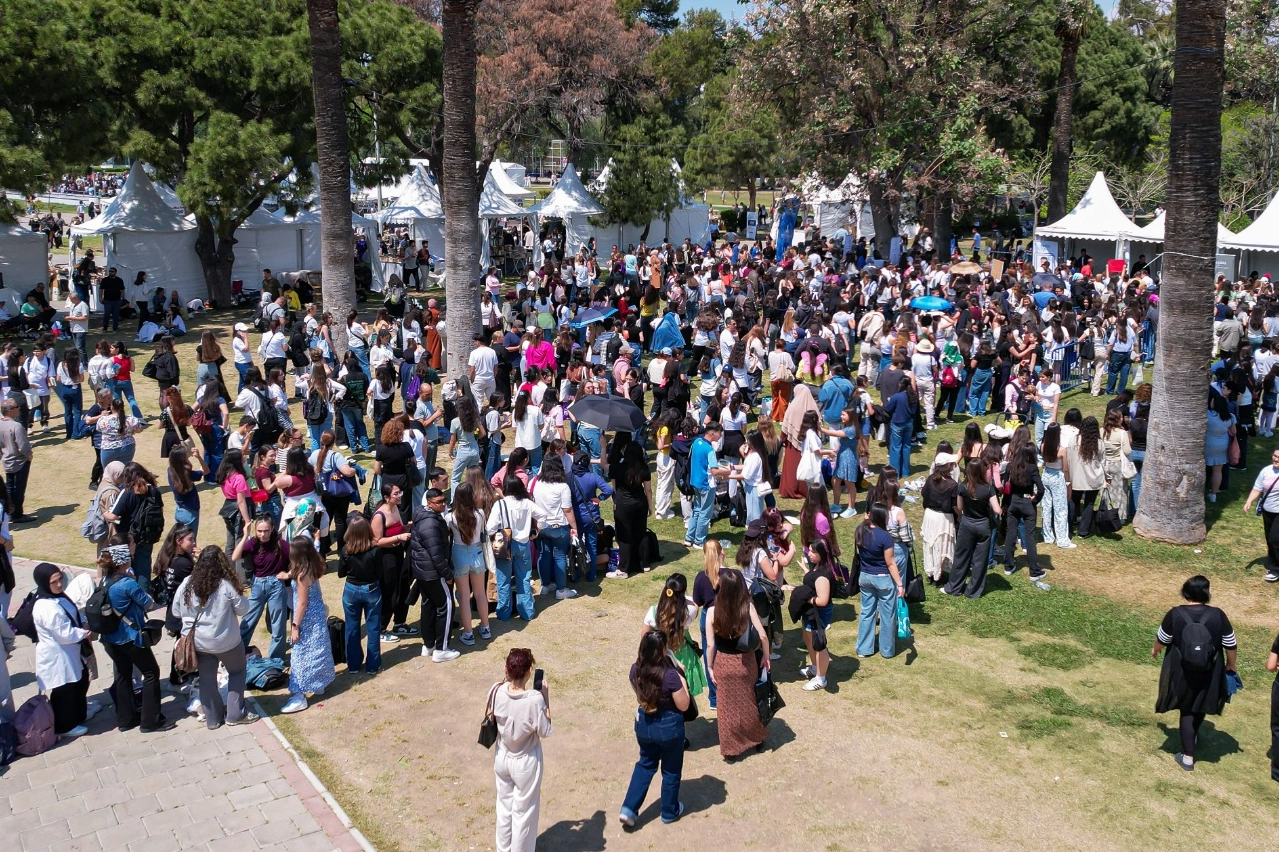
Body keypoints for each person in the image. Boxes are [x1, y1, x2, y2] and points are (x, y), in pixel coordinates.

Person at [1152, 575, 1238, 772]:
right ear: (1207, 593)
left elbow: (1162, 639)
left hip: (1182, 671)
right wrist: (1231, 665)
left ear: (1186, 593)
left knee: (1187, 709)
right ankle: (1192, 737)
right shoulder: (1218, 615)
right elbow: (1230, 643)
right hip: (1210, 669)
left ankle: (1188, 757)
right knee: (1199, 705)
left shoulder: (1175, 614)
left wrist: (1155, 650)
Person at [171, 545, 258, 729]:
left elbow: (175, 611)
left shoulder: (187, 583)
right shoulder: (226, 586)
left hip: (199, 644)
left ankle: (213, 719)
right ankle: (235, 714)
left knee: (207, 679)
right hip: (227, 642)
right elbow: (244, 609)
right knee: (237, 672)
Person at [619, 629, 691, 828]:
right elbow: (684, 705)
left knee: (645, 764)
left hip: (644, 724)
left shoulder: (635, 670)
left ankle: (629, 808)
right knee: (671, 770)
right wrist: (681, 677)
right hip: (669, 726)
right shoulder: (670, 676)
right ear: (663, 651)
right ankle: (669, 811)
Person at [96, 541, 170, 732]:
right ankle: (150, 721)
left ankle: (126, 720)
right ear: (124, 562)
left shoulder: (105, 581)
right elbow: (149, 604)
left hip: (110, 638)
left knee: (122, 674)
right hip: (130, 637)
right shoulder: (127, 583)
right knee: (151, 673)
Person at [705, 568, 770, 761]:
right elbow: (763, 635)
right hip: (746, 661)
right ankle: (756, 739)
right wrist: (765, 656)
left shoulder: (712, 611)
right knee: (750, 701)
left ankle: (730, 749)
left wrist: (709, 666)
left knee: (726, 708)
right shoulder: (748, 608)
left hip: (724, 663)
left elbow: (710, 644)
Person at [491, 647, 552, 852]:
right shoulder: (534, 700)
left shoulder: (496, 690)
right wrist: (545, 699)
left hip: (502, 756)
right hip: (526, 761)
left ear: (507, 669)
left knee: (504, 808)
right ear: (529, 671)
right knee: (524, 813)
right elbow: (545, 730)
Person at [31, 562, 91, 738]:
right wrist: (84, 632)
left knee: (78, 683)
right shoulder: (46, 606)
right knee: (63, 690)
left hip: (70, 652)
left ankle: (78, 715)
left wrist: (83, 622)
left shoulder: (57, 597)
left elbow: (73, 612)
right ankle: (65, 726)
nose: (59, 584)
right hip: (58, 655)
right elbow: (64, 633)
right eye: (54, 582)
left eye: (60, 579)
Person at [281, 537, 336, 713]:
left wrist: (295, 626)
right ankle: (319, 683)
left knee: (301, 654)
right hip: (317, 614)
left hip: (307, 618)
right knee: (319, 648)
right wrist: (288, 575)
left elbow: (302, 603)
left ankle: (299, 695)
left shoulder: (302, 575)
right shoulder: (313, 565)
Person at [488, 474, 550, 622]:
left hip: (505, 545)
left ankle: (503, 613)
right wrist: (536, 531)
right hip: (523, 544)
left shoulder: (500, 504)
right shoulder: (527, 503)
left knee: (503, 580)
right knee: (524, 578)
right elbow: (543, 516)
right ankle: (526, 611)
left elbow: (490, 528)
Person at [412, 488, 459, 662]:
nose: (443, 504)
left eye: (444, 500)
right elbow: (436, 553)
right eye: (439, 502)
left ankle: (429, 645)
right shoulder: (430, 523)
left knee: (428, 606)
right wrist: (447, 574)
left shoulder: (422, 516)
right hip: (433, 572)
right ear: (429, 503)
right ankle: (441, 648)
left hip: (423, 571)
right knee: (445, 607)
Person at [234, 516, 291, 661]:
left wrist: (288, 574)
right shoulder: (252, 543)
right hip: (258, 585)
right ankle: (237, 656)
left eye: (266, 531)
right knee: (248, 621)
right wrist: (245, 535)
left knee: (278, 626)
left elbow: (300, 561)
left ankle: (276, 660)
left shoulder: (282, 544)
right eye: (259, 531)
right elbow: (235, 557)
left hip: (276, 586)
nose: (262, 534)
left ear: (272, 529)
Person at [943, 461, 1002, 598]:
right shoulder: (988, 489)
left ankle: (954, 587)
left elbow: (960, 507)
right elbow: (997, 510)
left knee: (961, 556)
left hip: (967, 524)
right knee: (980, 560)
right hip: (983, 526)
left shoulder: (962, 487)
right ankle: (973, 591)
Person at [854, 504, 905, 658]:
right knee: (887, 614)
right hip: (883, 579)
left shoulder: (859, 531)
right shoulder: (885, 537)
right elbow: (890, 563)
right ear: (882, 517)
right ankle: (887, 650)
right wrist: (900, 584)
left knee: (867, 612)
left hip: (865, 577)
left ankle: (863, 649)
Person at [448, 482, 493, 645]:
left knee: (464, 597)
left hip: (459, 553)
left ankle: (468, 633)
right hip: (477, 552)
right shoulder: (480, 513)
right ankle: (485, 627)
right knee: (480, 594)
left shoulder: (451, 516)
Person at [338, 515, 383, 674]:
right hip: (371, 589)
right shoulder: (375, 550)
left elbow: (341, 573)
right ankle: (373, 665)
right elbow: (380, 572)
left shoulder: (346, 550)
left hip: (351, 589)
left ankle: (354, 665)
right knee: (373, 628)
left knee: (352, 628)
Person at [1003, 444, 1050, 590]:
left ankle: (1009, 565)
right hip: (1027, 503)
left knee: (1011, 533)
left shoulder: (1011, 466)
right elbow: (1041, 489)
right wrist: (1035, 500)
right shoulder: (1032, 468)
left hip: (1014, 502)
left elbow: (1006, 484)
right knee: (1029, 537)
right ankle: (1034, 571)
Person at [532, 455, 579, 598]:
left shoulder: (537, 483)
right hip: (558, 526)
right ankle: (561, 590)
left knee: (543, 555)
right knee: (559, 557)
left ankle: (545, 586)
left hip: (541, 526)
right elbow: (567, 510)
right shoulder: (562, 487)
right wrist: (574, 527)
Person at [797, 538, 835, 690]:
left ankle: (821, 678)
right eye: (810, 550)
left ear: (822, 554)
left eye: (813, 551)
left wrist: (804, 597)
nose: (809, 554)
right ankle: (814, 667)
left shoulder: (823, 575)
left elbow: (822, 600)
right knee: (808, 638)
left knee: (819, 644)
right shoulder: (817, 568)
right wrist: (806, 570)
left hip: (819, 613)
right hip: (811, 612)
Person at [1242, 447, 1279, 583]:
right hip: (1268, 510)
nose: (1276, 459)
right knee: (1270, 539)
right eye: (1274, 456)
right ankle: (1273, 561)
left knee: (1275, 539)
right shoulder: (1266, 471)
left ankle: (1275, 569)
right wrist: (1249, 501)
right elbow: (1258, 488)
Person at [1040, 423, 1075, 550]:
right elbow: (1065, 468)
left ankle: (1047, 535)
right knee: (1060, 509)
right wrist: (1068, 482)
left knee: (1047, 507)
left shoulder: (1043, 446)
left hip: (1046, 474)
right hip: (1057, 476)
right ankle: (1062, 539)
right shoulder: (1062, 450)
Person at [0, 399, 34, 522]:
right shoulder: (16, 426)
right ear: (9, 410)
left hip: (7, 461)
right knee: (19, 489)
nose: (19, 408)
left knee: (9, 488)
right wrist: (29, 455)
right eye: (16, 407)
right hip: (20, 462)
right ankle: (17, 514)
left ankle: (8, 512)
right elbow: (23, 445)